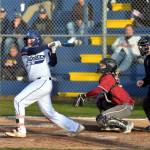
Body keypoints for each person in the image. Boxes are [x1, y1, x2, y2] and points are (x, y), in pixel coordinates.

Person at [5, 30, 85, 138]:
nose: (28, 41)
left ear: (36, 39)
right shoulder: (25, 50)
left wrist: (53, 50)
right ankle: (74, 126)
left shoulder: (44, 50)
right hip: (38, 83)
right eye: (27, 39)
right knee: (49, 112)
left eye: (30, 39)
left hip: (43, 81)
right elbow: (34, 51)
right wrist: (49, 45)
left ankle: (21, 130)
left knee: (18, 101)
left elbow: (53, 62)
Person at [74, 58, 135, 133]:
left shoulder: (108, 77)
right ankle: (110, 124)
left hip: (125, 106)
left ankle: (126, 124)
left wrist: (85, 95)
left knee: (102, 118)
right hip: (119, 105)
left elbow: (99, 90)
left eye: (103, 65)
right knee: (100, 102)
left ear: (109, 67)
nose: (100, 67)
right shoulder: (109, 76)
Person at [137, 36, 150, 131]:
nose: (143, 48)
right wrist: (144, 81)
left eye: (145, 46)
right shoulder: (147, 60)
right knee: (146, 104)